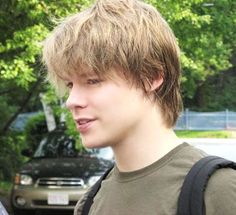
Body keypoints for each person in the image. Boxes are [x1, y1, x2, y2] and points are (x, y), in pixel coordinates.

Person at [42, 0, 236, 214]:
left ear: (151, 76)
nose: (72, 100)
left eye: (93, 80)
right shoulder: (90, 203)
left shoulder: (218, 190)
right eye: (70, 84)